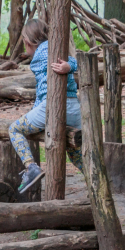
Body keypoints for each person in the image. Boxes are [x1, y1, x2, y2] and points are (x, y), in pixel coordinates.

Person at [8, 18, 83, 194]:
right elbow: (42, 91)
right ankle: (95, 179)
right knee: (75, 153)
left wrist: (68, 66)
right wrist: (68, 66)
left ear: (27, 41)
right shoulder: (53, 47)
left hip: (53, 108)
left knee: (14, 129)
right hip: (73, 108)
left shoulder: (44, 50)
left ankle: (30, 167)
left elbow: (75, 63)